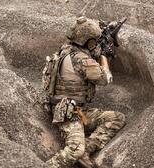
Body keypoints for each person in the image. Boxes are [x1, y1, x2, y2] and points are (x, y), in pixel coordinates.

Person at [46, 17, 126, 168]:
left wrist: (101, 43)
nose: (95, 43)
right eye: (93, 41)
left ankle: (87, 150)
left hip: (76, 110)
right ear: (87, 42)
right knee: (74, 150)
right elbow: (105, 79)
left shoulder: (67, 49)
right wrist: (103, 57)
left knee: (116, 118)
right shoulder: (81, 59)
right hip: (67, 113)